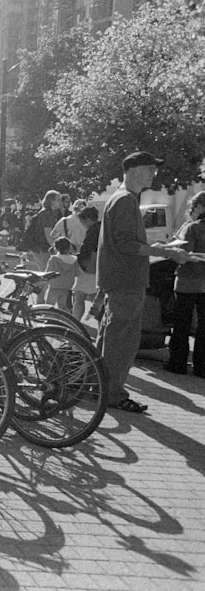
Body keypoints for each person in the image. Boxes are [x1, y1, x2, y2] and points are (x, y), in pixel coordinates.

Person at [97, 151, 186, 413]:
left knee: (112, 337)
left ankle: (100, 388)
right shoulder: (125, 200)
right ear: (134, 170)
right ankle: (112, 394)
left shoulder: (122, 199)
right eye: (150, 169)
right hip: (126, 282)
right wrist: (166, 252)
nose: (153, 174)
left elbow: (125, 242)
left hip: (120, 280)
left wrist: (156, 246)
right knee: (122, 342)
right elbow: (126, 245)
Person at [165, 191, 205, 377]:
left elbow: (182, 255)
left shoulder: (191, 228)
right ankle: (201, 367)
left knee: (182, 324)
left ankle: (178, 363)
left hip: (187, 282)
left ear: (199, 207)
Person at [72, 206, 100, 322]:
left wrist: (77, 257)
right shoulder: (102, 227)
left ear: (87, 219)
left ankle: (75, 324)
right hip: (99, 267)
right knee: (95, 297)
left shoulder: (92, 231)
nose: (82, 224)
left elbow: (87, 250)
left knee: (79, 296)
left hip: (89, 268)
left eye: (82, 221)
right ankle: (101, 328)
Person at [22, 190, 61, 269]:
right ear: (51, 201)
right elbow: (48, 233)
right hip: (43, 249)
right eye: (58, 200)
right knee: (47, 274)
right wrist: (56, 249)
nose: (60, 202)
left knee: (46, 273)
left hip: (39, 248)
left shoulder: (44, 212)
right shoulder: (48, 214)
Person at [44, 237, 80, 310]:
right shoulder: (74, 260)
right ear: (69, 247)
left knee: (48, 306)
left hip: (54, 286)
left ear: (56, 248)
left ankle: (48, 319)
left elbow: (47, 273)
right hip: (67, 286)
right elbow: (77, 273)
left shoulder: (53, 259)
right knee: (62, 307)